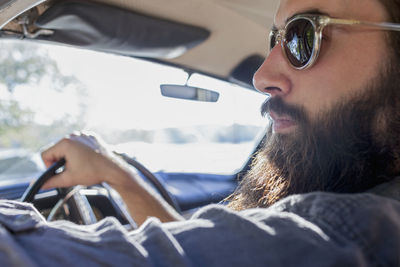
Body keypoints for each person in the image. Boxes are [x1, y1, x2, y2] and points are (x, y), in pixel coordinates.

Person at [1, 0, 400, 265]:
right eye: (274, 40)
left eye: (302, 35)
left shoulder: (361, 229)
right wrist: (117, 175)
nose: (262, 76)